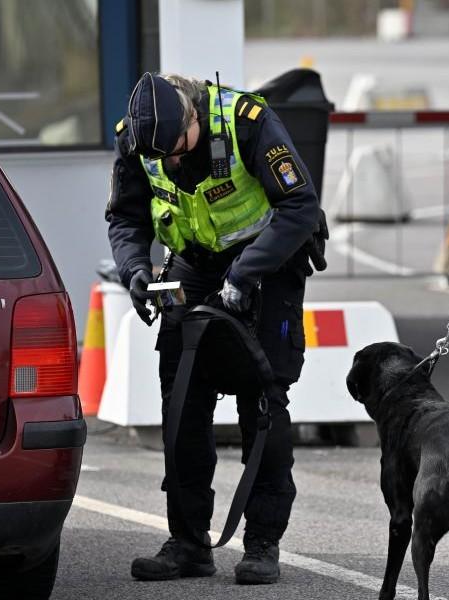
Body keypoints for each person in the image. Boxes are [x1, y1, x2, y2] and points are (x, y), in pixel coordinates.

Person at [105, 72, 324, 586]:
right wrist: (135, 268)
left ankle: (262, 543)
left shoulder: (247, 122)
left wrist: (244, 274)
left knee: (263, 398)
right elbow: (125, 218)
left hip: (266, 263)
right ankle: (187, 544)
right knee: (180, 400)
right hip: (195, 265)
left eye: (178, 149)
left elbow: (299, 207)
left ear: (192, 117)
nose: (173, 162)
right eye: (164, 157)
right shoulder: (136, 140)